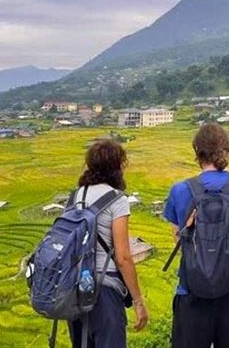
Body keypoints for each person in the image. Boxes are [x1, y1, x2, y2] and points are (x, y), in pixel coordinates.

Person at [164, 122, 229, 348]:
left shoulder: (180, 190)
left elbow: (179, 238)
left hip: (191, 290)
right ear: (226, 151)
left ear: (197, 152)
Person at [69, 139, 148, 348]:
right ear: (116, 166)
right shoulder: (117, 200)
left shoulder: (75, 196)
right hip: (105, 291)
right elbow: (122, 257)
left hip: (75, 289)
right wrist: (138, 301)